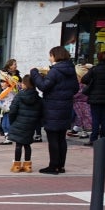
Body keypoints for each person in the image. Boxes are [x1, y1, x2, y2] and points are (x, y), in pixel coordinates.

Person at [35, 46, 79, 174]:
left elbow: (43, 86)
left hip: (53, 108)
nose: (49, 58)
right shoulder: (71, 70)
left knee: (53, 138)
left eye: (50, 55)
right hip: (65, 108)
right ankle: (61, 165)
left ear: (55, 56)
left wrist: (35, 74)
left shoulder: (55, 71)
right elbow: (75, 88)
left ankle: (53, 166)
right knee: (61, 138)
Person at [5, 73, 43, 172]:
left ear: (26, 84)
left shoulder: (19, 96)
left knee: (18, 144)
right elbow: (41, 112)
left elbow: (12, 110)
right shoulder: (38, 98)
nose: (21, 84)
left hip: (19, 122)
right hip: (31, 124)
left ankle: (17, 165)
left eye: (22, 82)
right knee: (27, 144)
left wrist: (13, 122)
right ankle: (27, 165)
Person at [81, 50, 105, 145]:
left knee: (95, 119)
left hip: (95, 98)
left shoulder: (95, 69)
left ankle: (93, 138)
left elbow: (84, 79)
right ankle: (103, 138)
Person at [0, 59, 21, 144]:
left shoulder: (17, 75)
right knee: (4, 121)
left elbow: (19, 85)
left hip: (13, 98)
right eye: (14, 64)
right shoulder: (4, 73)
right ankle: (7, 137)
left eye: (16, 64)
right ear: (9, 66)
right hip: (6, 98)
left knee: (9, 119)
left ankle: (10, 137)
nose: (16, 66)